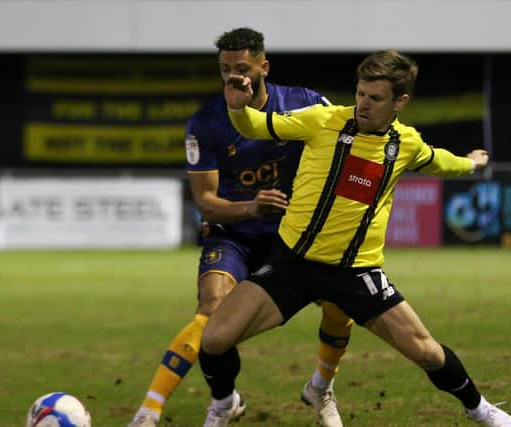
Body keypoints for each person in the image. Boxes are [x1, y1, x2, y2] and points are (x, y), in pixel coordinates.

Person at [198, 49, 511, 427]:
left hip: (356, 271)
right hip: (292, 263)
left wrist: (473, 163)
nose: (363, 104)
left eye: (376, 98)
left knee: (428, 353)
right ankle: (225, 402)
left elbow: (442, 162)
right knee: (214, 339)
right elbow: (258, 125)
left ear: (400, 102)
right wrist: (238, 109)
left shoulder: (406, 144)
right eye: (361, 93)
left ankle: (480, 410)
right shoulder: (323, 120)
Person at [128, 27, 353, 427]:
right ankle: (168, 408)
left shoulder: (304, 103)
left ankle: (321, 387)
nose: (235, 77)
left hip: (295, 234)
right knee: (212, 313)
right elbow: (205, 201)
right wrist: (251, 207)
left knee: (342, 303)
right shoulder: (206, 122)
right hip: (235, 233)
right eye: (226, 69)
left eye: (243, 68)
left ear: (264, 67)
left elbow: (344, 146)